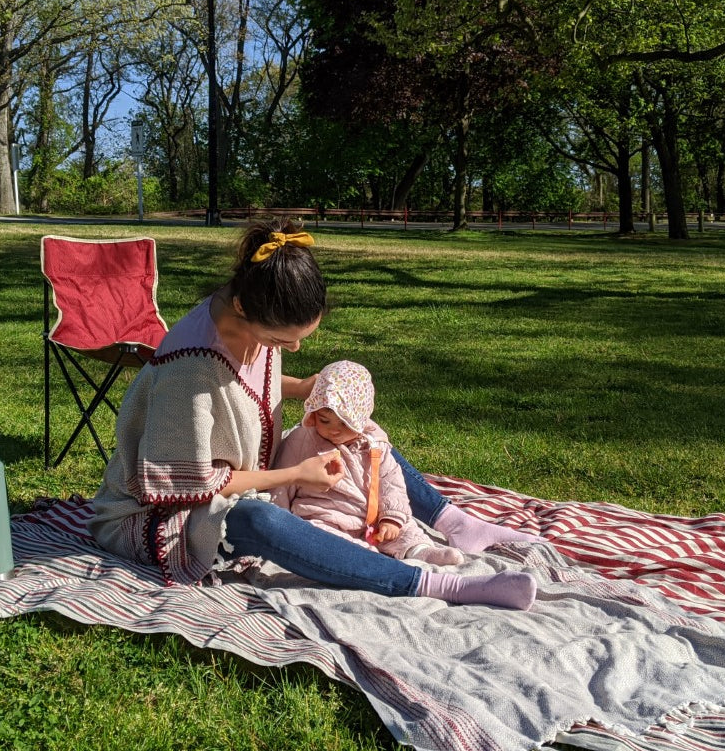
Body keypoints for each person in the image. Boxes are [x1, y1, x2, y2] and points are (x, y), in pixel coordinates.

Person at [88, 217, 535, 610]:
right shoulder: (189, 369)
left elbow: (233, 383)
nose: (293, 349)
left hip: (243, 474)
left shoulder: (245, 311)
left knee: (358, 435)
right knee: (256, 520)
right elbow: (193, 481)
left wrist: (304, 388)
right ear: (244, 309)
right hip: (161, 516)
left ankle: (455, 523)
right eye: (283, 342)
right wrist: (294, 475)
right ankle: (438, 585)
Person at [274, 360, 464, 566]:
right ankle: (366, 558)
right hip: (326, 515)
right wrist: (278, 524)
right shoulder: (301, 440)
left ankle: (421, 551)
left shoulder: (374, 442)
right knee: (319, 536)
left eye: (345, 423)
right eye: (324, 420)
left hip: (372, 517)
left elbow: (391, 481)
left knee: (406, 528)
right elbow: (282, 485)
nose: (334, 430)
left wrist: (392, 517)